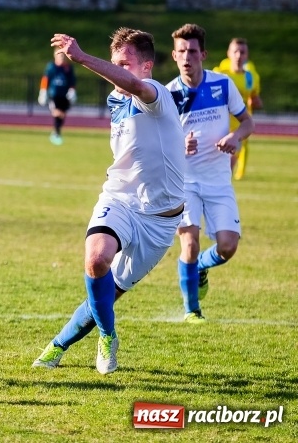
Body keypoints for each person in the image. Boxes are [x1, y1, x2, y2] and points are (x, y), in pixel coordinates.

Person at [31, 28, 185, 375]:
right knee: (97, 258)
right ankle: (107, 336)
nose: (117, 70)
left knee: (106, 295)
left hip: (160, 221)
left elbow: (135, 87)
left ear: (146, 66)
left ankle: (57, 345)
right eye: (114, 62)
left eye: (124, 64)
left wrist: (83, 58)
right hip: (120, 200)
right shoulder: (116, 100)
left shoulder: (155, 92)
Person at [166, 24, 254, 323]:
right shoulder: (168, 95)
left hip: (218, 181)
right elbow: (158, 143)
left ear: (203, 54)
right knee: (189, 244)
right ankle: (192, 310)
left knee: (228, 247)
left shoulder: (223, 85)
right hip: (184, 182)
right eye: (181, 51)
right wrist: (180, 144)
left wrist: (235, 137)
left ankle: (201, 267)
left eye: (192, 51)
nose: (186, 57)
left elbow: (247, 122)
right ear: (174, 56)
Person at [213, 38, 262, 180]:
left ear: (247, 55)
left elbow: (254, 97)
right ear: (228, 53)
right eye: (235, 51)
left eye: (242, 52)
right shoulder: (219, 74)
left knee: (226, 171)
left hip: (238, 131)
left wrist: (256, 102)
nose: (239, 55)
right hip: (217, 128)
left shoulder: (251, 78)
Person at [38, 50, 77, 145]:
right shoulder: (51, 67)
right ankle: (56, 133)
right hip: (54, 94)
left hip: (64, 95)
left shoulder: (68, 68)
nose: (61, 58)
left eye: (63, 56)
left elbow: (72, 80)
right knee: (56, 112)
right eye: (59, 56)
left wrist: (72, 90)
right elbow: (45, 79)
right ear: (55, 56)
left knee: (62, 114)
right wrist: (43, 91)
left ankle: (57, 132)